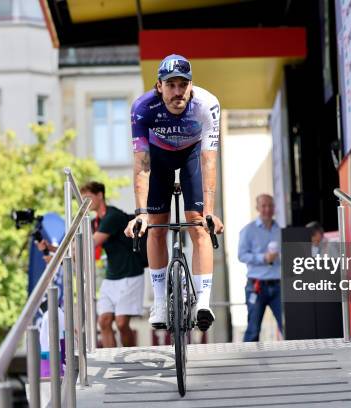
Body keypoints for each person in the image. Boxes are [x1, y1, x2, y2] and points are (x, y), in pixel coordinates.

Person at [124, 54, 224, 332]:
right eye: (171, 85)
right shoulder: (143, 108)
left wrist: (210, 212)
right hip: (159, 159)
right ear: (159, 86)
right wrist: (140, 213)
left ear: (191, 86)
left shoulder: (207, 104)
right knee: (155, 229)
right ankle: (159, 302)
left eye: (183, 84)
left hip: (192, 155)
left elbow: (209, 160)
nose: (178, 91)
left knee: (200, 227)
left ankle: (203, 302)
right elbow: (142, 164)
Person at [81, 181, 145, 347]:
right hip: (112, 277)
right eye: (82, 199)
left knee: (122, 323)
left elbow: (91, 243)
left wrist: (71, 249)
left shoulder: (112, 216)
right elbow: (81, 246)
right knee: (103, 321)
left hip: (130, 273)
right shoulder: (96, 221)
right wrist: (53, 249)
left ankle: (130, 358)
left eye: (88, 197)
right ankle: (111, 360)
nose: (85, 202)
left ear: (100, 195)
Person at [238, 194, 283, 341]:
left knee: (287, 325)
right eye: (264, 206)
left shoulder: (280, 230)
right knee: (253, 329)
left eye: (270, 205)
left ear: (274, 208)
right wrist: (263, 257)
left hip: (279, 285)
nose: (267, 209)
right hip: (257, 286)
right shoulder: (248, 230)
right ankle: (250, 363)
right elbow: (241, 255)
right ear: (257, 208)